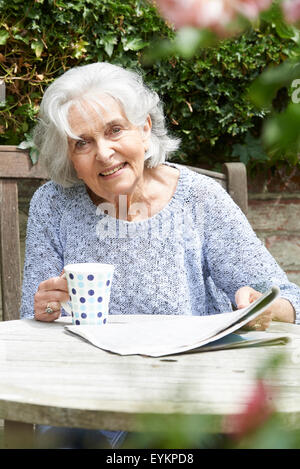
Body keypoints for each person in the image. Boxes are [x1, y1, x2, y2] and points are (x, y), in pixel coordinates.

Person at [20, 62, 300, 448]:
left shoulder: (199, 199)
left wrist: (267, 308)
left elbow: (289, 298)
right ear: (68, 156)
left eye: (115, 130)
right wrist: (45, 308)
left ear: (145, 129)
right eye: (81, 142)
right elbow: (32, 326)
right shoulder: (52, 205)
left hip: (182, 401)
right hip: (84, 395)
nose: (103, 152)